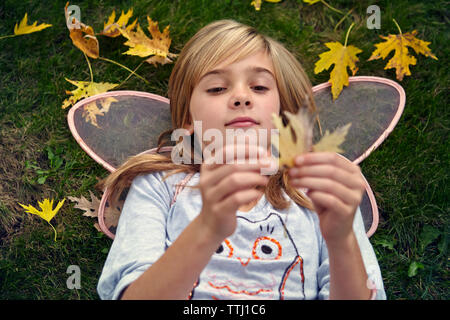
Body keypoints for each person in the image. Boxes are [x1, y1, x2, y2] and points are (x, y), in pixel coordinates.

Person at [97, 20, 386, 300]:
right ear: (187, 120)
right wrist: (207, 229)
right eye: (217, 88)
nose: (241, 97)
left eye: (259, 87)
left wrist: (341, 240)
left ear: (282, 116)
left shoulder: (316, 193)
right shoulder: (159, 186)